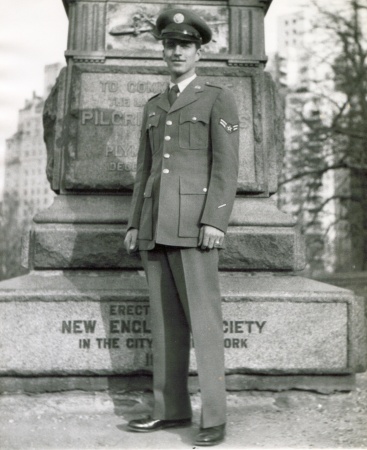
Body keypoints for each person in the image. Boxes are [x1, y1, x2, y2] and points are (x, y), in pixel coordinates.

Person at [124, 7, 239, 447]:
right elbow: (145, 170)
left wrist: (215, 220)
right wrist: (136, 223)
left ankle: (214, 419)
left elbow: (226, 167)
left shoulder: (216, 97)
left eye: (185, 45)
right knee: (165, 325)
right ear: (164, 50)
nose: (176, 51)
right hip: (156, 225)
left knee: (204, 325)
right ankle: (170, 410)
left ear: (198, 52)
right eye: (170, 44)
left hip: (196, 228)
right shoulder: (155, 105)